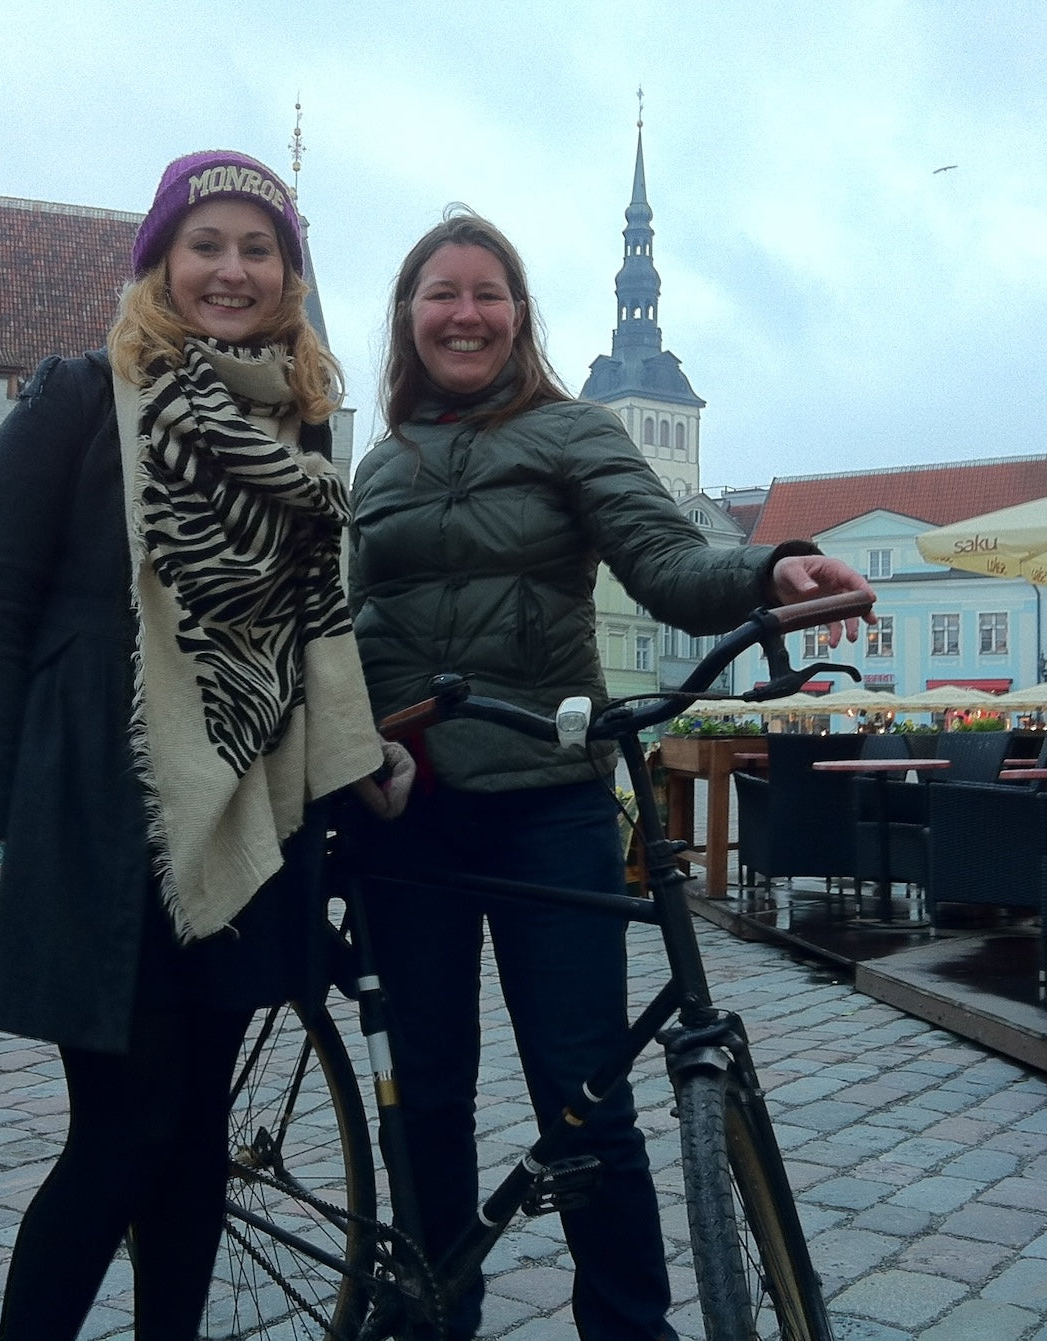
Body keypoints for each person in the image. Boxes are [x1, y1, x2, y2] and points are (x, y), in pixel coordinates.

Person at [348, 209, 875, 1341]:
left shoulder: (574, 432)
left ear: (520, 314)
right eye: (442, 292)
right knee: (426, 1095)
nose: (466, 312)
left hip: (548, 800)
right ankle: (436, 1311)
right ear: (409, 317)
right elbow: (349, 628)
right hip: (405, 811)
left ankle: (629, 1324)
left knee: (584, 1095)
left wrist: (770, 569)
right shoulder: (378, 466)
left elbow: (668, 560)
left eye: (489, 292)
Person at [0, 149, 408, 1341]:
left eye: (259, 250)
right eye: (207, 246)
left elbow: (308, 637)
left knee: (196, 1144)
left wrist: (363, 754)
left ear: (289, 277)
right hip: (102, 815)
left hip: (248, 813)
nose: (230, 271)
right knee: (126, 1128)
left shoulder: (295, 435)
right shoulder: (78, 401)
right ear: (159, 263)